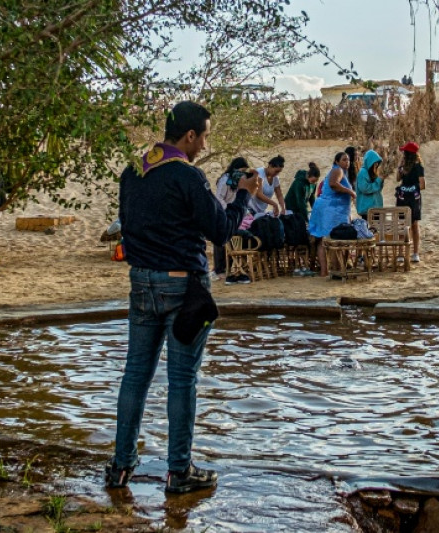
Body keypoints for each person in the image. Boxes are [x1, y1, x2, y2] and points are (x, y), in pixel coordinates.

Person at [106, 101, 258, 493]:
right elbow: (221, 231)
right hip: (183, 288)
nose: (205, 146)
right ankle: (179, 471)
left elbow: (127, 227)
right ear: (190, 135)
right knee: (182, 380)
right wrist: (242, 195)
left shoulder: (132, 172)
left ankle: (121, 467)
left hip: (141, 284)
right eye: (204, 136)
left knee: (135, 376)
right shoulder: (188, 177)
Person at [309, 152, 356, 277]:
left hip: (332, 209)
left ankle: (330, 270)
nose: (347, 162)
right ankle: (333, 270)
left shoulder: (341, 172)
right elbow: (333, 184)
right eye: (344, 159)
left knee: (326, 239)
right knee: (332, 239)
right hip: (330, 210)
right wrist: (351, 192)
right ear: (337, 161)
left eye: (348, 160)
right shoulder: (337, 171)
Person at [212, 156, 251, 280]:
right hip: (222, 212)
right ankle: (219, 269)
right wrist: (228, 210)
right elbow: (219, 198)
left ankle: (231, 267)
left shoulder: (238, 181)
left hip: (233, 213)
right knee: (221, 242)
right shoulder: (225, 180)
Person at [395, 142, 425, 262]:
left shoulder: (418, 167)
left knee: (413, 224)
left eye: (404, 152)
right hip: (404, 197)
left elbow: (423, 185)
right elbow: (398, 179)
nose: (402, 154)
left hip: (412, 198)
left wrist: (412, 188)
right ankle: (402, 253)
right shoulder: (403, 167)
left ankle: (415, 253)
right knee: (403, 224)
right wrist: (399, 167)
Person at [355, 149, 383, 221]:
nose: (376, 165)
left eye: (377, 164)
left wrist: (381, 180)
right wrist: (378, 180)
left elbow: (378, 189)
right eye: (375, 163)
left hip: (376, 208)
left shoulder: (373, 173)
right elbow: (365, 189)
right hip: (367, 209)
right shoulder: (363, 173)